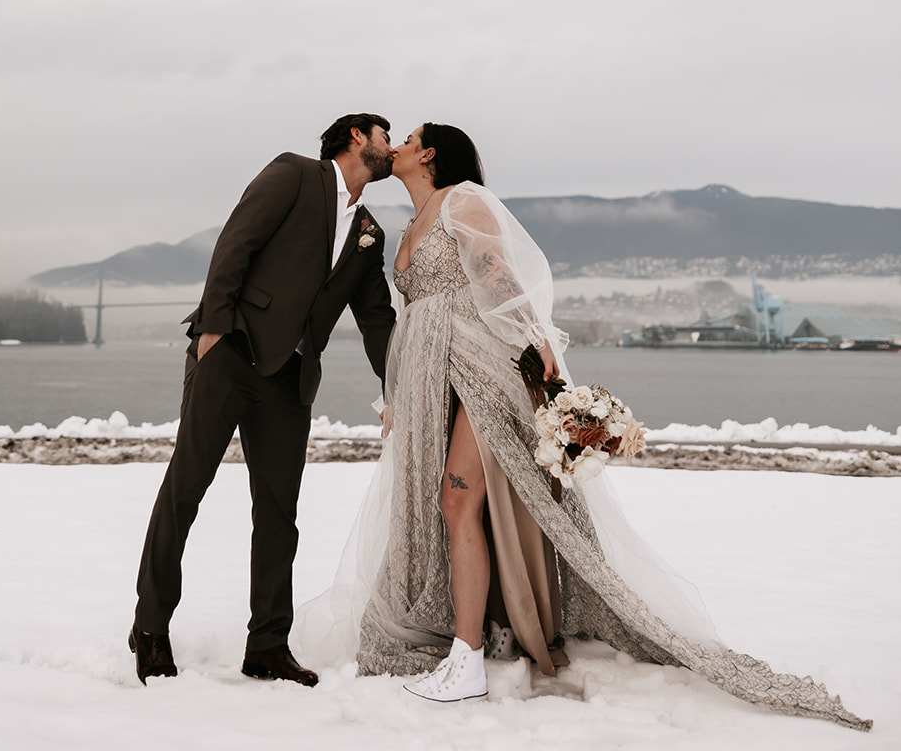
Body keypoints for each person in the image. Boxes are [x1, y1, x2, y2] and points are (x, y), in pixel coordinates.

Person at [298, 124, 870, 730]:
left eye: (409, 136)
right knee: (455, 508)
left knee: (458, 499)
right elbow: (413, 316)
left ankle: (466, 661)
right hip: (431, 374)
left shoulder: (461, 200)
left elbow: (497, 273)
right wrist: (400, 392)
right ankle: (487, 632)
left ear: (430, 153)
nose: (400, 143)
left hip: (481, 366)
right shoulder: (409, 227)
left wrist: (537, 338)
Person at [130, 113, 397, 688]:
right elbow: (236, 241)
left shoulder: (369, 231)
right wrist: (213, 331)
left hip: (291, 380)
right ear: (356, 137)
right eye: (385, 134)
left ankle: (268, 645)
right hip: (230, 355)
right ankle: (150, 628)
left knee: (279, 516)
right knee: (186, 489)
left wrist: (396, 387)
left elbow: (378, 319)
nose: (392, 145)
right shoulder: (294, 174)